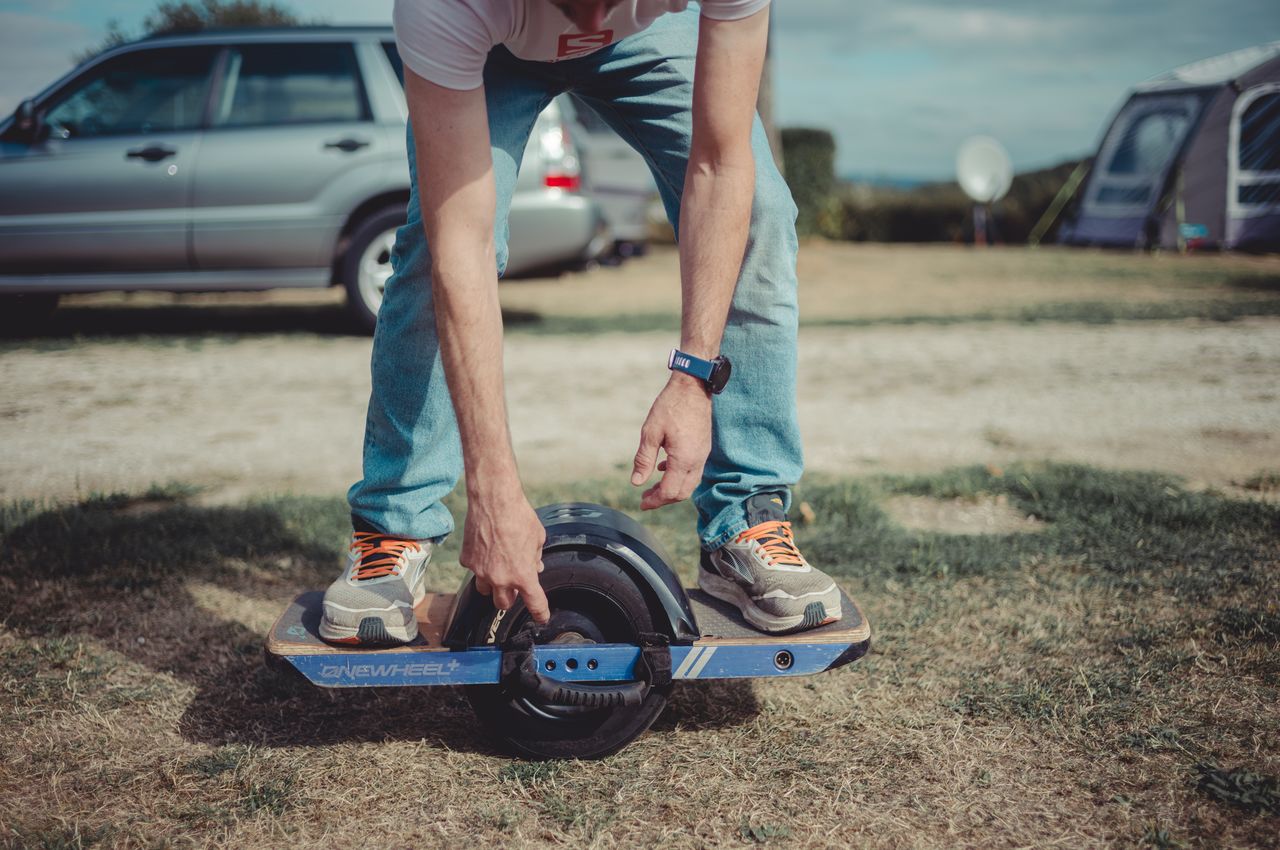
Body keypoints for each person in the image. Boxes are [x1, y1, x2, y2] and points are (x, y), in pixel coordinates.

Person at [319, 0, 851, 646]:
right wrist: (493, 491)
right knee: (433, 245)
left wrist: (694, 377)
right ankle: (394, 529)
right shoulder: (445, 6)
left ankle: (745, 519)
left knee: (761, 212)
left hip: (657, 41)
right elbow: (465, 246)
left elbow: (720, 164)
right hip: (493, 52)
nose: (594, 21)